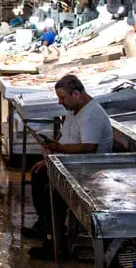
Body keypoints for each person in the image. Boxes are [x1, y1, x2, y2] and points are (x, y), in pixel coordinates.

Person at [24, 74, 113, 260]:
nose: (60, 102)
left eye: (63, 98)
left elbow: (88, 148)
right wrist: (48, 158)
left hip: (88, 171)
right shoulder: (74, 111)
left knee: (52, 193)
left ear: (76, 94)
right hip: (69, 165)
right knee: (38, 175)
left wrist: (59, 148)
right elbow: (65, 136)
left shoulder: (91, 114)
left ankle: (55, 244)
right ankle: (45, 227)